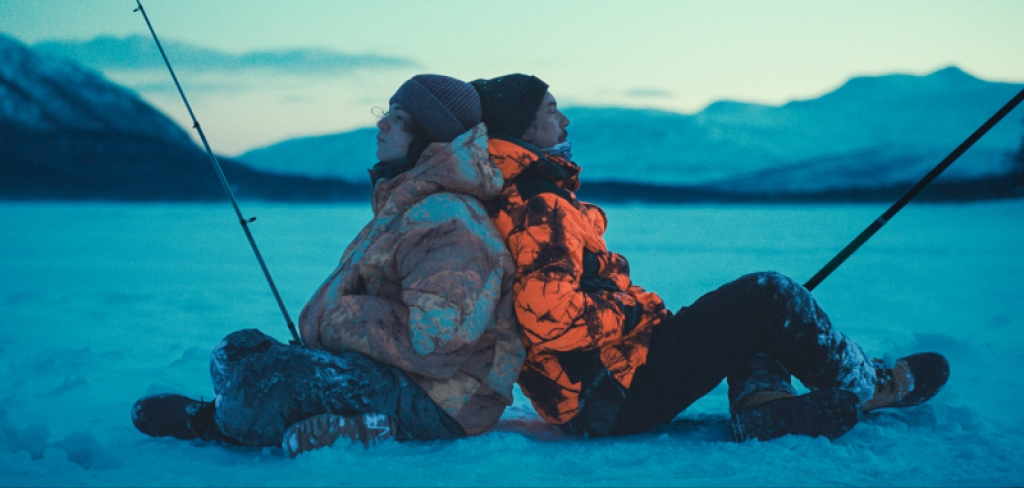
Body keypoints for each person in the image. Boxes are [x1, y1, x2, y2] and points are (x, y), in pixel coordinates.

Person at [470, 73, 950, 441]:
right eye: (552, 111)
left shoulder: (522, 196)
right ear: (522, 127)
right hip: (608, 393)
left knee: (746, 319)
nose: (565, 121)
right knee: (769, 295)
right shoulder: (540, 205)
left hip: (599, 386)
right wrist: (632, 310)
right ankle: (872, 386)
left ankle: (764, 406)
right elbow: (549, 319)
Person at [131, 74, 525, 456]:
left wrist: (336, 319)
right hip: (393, 372)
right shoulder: (407, 207)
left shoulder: (450, 222)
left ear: (431, 137)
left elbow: (435, 343)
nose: (382, 124)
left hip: (443, 401)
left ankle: (212, 422)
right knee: (236, 350)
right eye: (386, 113)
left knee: (273, 378)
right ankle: (304, 415)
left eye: (400, 118)